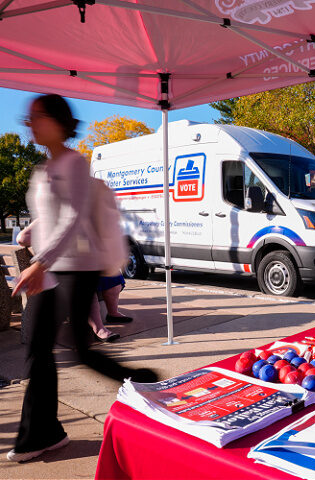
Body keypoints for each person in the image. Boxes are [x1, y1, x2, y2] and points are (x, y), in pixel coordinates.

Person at [8, 94, 157, 463]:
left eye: (36, 117)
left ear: (57, 121)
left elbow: (72, 217)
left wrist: (39, 263)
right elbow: (50, 219)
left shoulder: (73, 163)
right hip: (52, 266)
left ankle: (148, 384)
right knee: (38, 347)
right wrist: (36, 252)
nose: (29, 124)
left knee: (78, 350)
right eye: (27, 118)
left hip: (76, 266)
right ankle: (43, 434)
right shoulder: (43, 168)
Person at [17, 220, 120, 343]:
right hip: (53, 273)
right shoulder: (46, 219)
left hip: (70, 268)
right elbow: (22, 239)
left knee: (111, 277)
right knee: (85, 284)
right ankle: (98, 328)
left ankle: (111, 314)